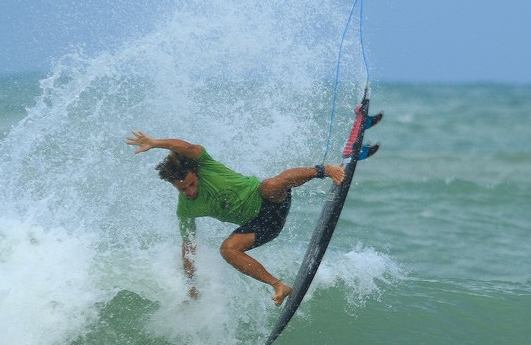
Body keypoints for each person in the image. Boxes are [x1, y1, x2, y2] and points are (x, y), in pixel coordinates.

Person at [126, 130, 378, 305]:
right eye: (183, 189)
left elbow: (188, 148)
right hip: (262, 227)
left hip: (272, 202)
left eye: (192, 184)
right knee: (227, 250)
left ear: (196, 173)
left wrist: (156, 142)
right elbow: (188, 247)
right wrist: (191, 283)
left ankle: (324, 170)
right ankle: (279, 285)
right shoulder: (186, 210)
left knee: (270, 184)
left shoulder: (207, 166)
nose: (190, 192)